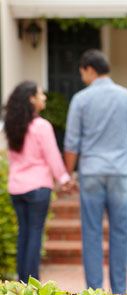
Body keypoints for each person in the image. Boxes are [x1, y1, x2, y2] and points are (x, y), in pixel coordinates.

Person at [64, 49, 127, 295]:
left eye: (82, 73)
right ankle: (120, 293)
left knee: (91, 233)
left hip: (92, 171)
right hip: (120, 171)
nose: (82, 78)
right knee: (121, 232)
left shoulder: (81, 99)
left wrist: (68, 174)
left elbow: (71, 142)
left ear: (89, 69)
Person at [4, 81, 72, 283]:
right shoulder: (42, 126)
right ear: (31, 99)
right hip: (38, 188)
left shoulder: (11, 126)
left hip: (16, 187)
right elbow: (52, 157)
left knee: (23, 234)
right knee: (35, 234)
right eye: (41, 94)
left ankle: (22, 283)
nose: (44, 98)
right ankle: (32, 284)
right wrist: (64, 179)